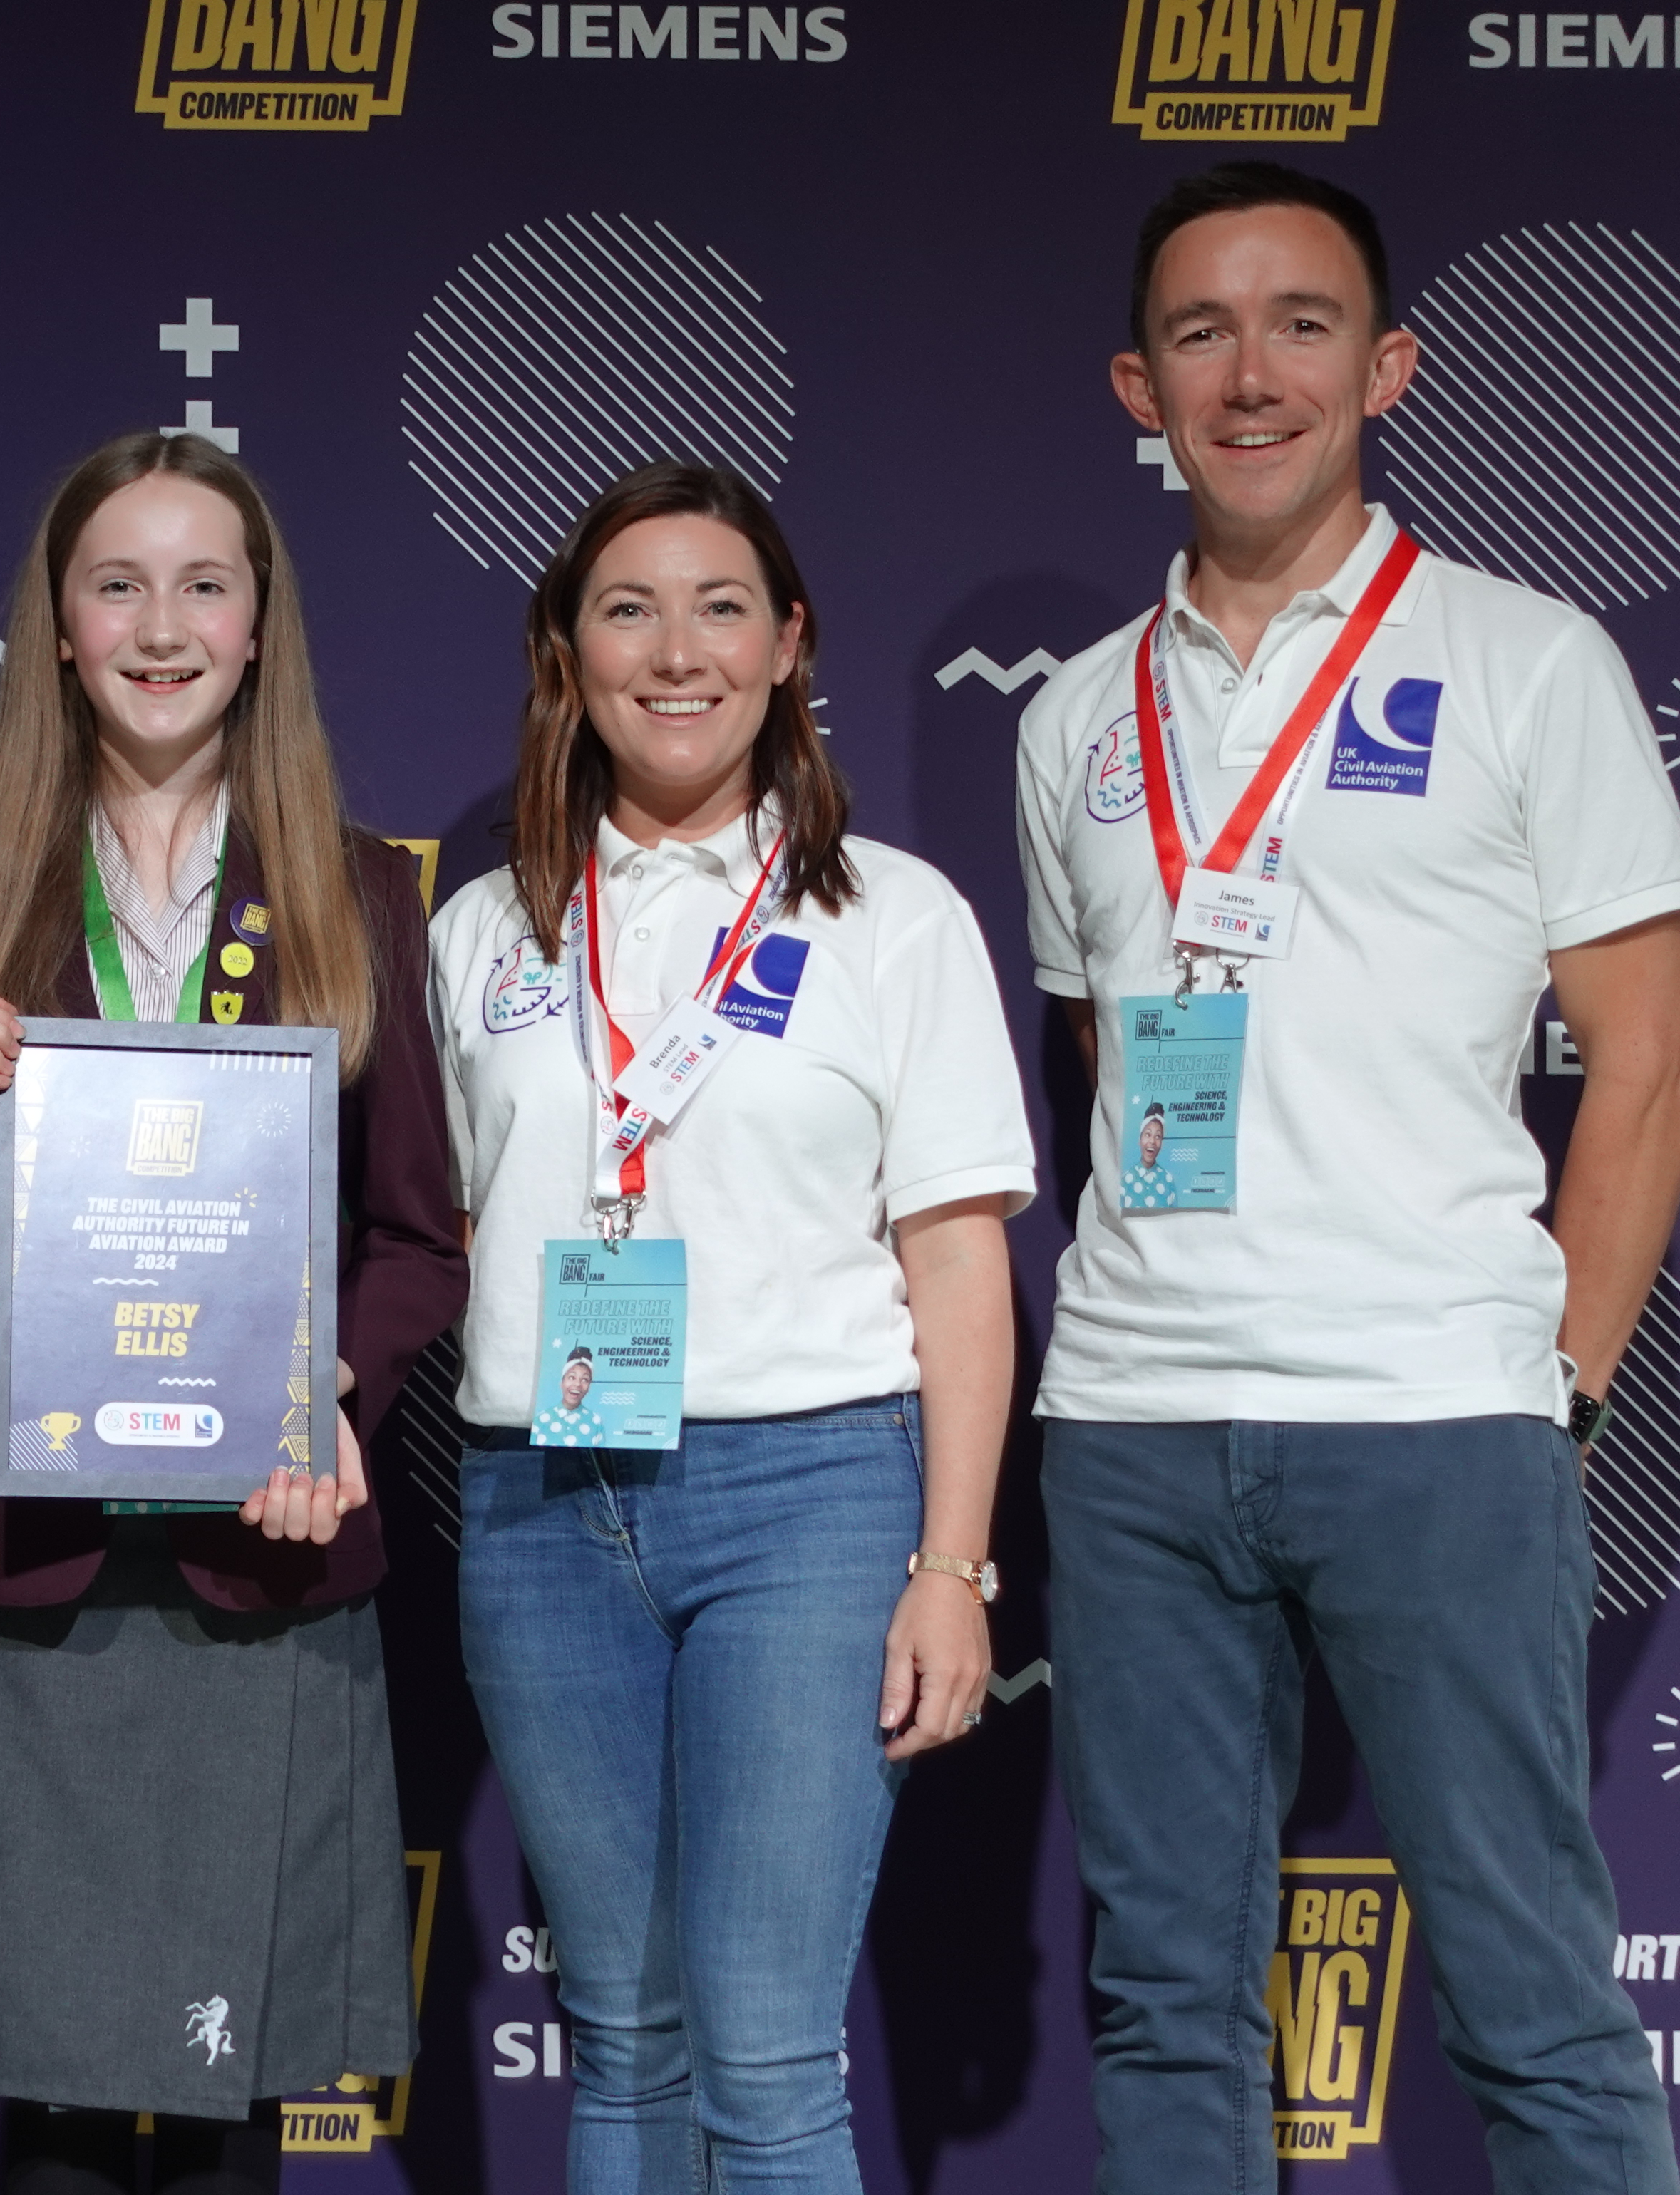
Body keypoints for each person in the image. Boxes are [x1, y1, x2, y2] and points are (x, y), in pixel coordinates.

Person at [1016, 162, 1680, 2190]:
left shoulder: (1527, 658)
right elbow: (1109, 1050)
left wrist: (1551, 1385)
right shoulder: (1070, 719)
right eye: (1204, 334)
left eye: (1301, 324)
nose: (1254, 374)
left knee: (1528, 1994)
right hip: (1133, 1426)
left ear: (1386, 365)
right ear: (1137, 385)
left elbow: (1650, 1062)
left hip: (1436, 1417)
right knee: (1164, 2004)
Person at [0, 431, 468, 2195]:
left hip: (252, 1565)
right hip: (24, 1564)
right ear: (55, 627)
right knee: (42, 2105)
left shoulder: (355, 893)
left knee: (226, 2100)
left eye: (206, 582)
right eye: (117, 581)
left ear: (261, 624)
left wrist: (313, 1398)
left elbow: (419, 1235)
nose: (161, 622)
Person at [430, 461, 1036, 2192]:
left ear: (789, 646)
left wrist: (955, 1564)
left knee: (767, 2049)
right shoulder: (484, 929)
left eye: (720, 608)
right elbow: (440, 1232)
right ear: (568, 658)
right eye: (628, 609)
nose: (674, 651)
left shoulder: (893, 918)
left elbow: (960, 1264)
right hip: (541, 1505)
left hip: (813, 1500)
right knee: (625, 2035)